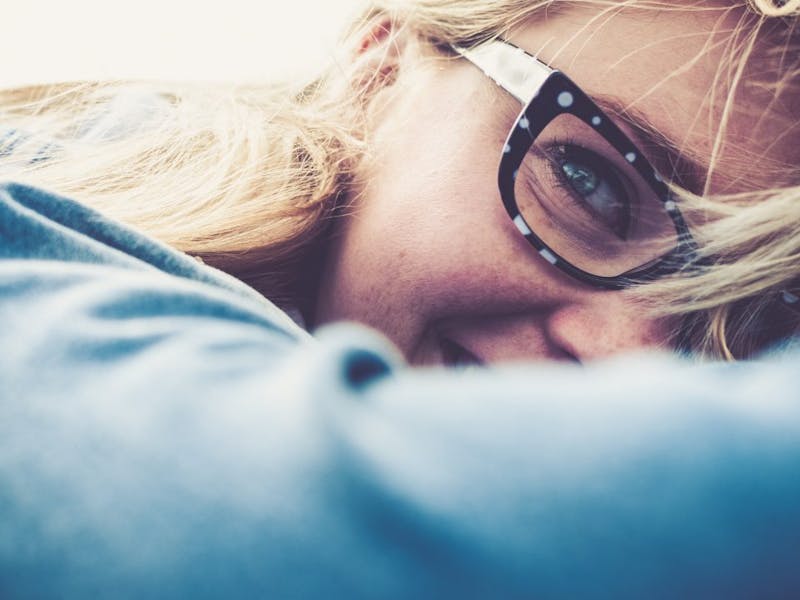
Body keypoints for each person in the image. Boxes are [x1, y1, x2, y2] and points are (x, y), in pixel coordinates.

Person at [0, 0, 799, 597]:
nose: (629, 358)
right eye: (588, 183)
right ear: (379, 61)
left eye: (768, 316)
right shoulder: (53, 226)